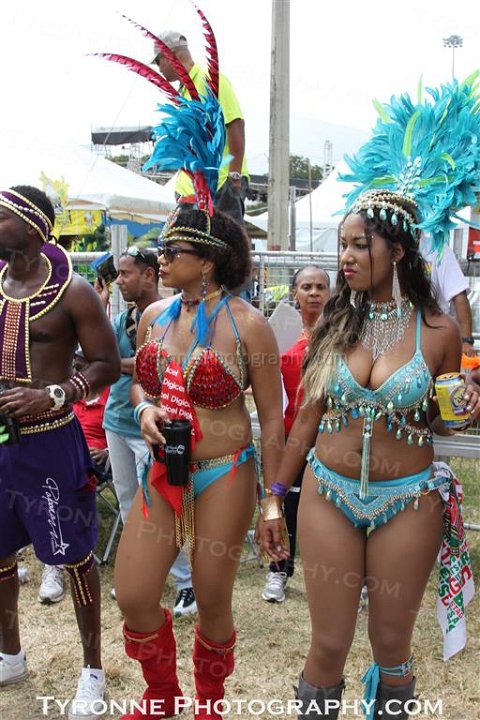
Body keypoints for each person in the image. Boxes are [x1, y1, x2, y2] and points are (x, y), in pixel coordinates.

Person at [259, 78, 480, 720]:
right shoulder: (333, 320)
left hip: (407, 500)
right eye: (344, 245)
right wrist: (274, 496)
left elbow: (442, 419)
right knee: (326, 646)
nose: (346, 257)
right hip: (327, 492)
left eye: (360, 245)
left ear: (398, 250)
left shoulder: (439, 330)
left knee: (392, 648)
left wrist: (467, 402)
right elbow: (305, 418)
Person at [114, 206, 283, 720]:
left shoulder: (250, 325)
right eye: (161, 250)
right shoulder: (153, 317)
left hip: (224, 472)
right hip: (163, 471)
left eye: (172, 251)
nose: (160, 259)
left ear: (208, 261)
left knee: (211, 598)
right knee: (133, 594)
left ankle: (209, 702)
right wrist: (143, 409)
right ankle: (162, 694)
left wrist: (272, 502)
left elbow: (273, 419)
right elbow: (141, 383)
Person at [0, 186, 120, 718]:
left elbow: (106, 364)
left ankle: (92, 671)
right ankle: (10, 655)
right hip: (1, 441)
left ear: (31, 228)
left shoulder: (74, 292)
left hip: (51, 439)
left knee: (74, 556)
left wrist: (53, 393)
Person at [96, 248, 196, 616]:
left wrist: (116, 364)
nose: (120, 281)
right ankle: (140, 571)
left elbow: (151, 365)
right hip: (117, 421)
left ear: (149, 275)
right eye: (118, 275)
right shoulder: (120, 320)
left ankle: (186, 584)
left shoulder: (171, 317)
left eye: (126, 274)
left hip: (156, 426)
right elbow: (101, 359)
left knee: (165, 504)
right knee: (128, 502)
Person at [262, 265, 330, 603]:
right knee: (283, 504)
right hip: (290, 438)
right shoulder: (279, 334)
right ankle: (278, 570)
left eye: (320, 287)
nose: (314, 293)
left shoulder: (343, 335)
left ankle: (346, 577)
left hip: (331, 440)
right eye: (306, 287)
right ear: (295, 294)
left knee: (333, 511)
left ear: (330, 294)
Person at [151, 31, 249, 225]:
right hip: (191, 190)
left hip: (220, 182)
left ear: (171, 57)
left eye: (158, 60)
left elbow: (235, 123)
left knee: (224, 241)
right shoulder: (183, 92)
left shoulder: (209, 80)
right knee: (188, 243)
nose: (158, 68)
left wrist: (234, 177)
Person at [421, 242, 476, 357]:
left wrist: (466, 341)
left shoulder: (438, 248)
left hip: (434, 338)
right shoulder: (389, 246)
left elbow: (459, 294)